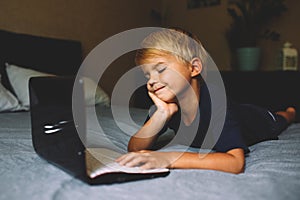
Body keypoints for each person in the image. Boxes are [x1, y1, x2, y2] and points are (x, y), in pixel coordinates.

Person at [116, 28, 296, 174]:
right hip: (236, 111)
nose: (151, 81)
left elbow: (235, 163)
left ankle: (290, 111)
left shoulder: (216, 103)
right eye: (147, 75)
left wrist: (168, 158)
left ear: (194, 68)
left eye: (161, 69)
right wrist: (161, 114)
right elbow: (135, 148)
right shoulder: (165, 107)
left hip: (258, 119)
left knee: (280, 119)